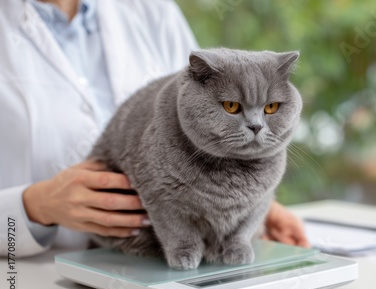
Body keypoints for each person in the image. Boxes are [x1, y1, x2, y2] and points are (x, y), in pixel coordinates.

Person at [0, 0, 309, 257]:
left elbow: (218, 106)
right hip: (29, 281)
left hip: (159, 274)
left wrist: (254, 207)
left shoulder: (151, 9)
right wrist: (33, 206)